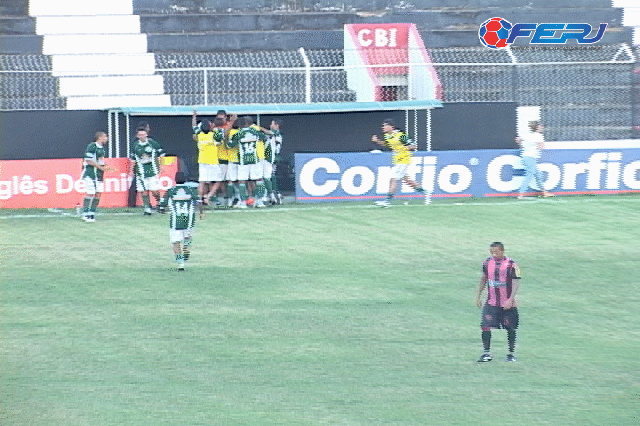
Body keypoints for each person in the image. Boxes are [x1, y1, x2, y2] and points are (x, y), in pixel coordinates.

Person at [476, 242, 521, 362]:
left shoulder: (512, 265)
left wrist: (511, 299)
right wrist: (478, 296)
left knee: (510, 327)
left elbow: (516, 282)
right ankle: (486, 353)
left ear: (502, 251)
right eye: (492, 251)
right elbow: (484, 278)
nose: (493, 254)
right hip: (491, 302)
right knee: (485, 326)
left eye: (496, 251)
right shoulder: (487, 263)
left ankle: (511, 354)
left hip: (507, 303)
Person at [371, 118, 430, 207]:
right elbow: (387, 144)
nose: (383, 128)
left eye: (385, 126)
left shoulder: (401, 135)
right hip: (397, 160)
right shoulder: (387, 136)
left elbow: (413, 146)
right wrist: (377, 141)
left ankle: (387, 201)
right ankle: (426, 193)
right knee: (406, 179)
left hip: (404, 159)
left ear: (391, 126)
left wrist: (402, 149)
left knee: (393, 178)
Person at [158, 171, 200, 271]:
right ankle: (186, 250)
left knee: (175, 242)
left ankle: (180, 263)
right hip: (189, 220)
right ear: (186, 180)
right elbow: (199, 202)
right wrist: (201, 213)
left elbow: (162, 205)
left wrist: (162, 210)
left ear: (174, 180)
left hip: (176, 222)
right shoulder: (191, 190)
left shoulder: (170, 191)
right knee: (187, 238)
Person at [228, 116, 267, 208]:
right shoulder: (255, 131)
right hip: (254, 160)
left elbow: (230, 145)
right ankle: (259, 201)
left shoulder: (239, 133)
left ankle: (243, 202)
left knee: (242, 181)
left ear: (241, 124)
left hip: (243, 161)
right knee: (259, 179)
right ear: (250, 124)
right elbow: (264, 137)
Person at [80, 131, 115, 222]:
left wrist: (106, 167)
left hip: (99, 175)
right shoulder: (92, 146)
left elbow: (101, 161)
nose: (106, 138)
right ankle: (85, 213)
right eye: (105, 136)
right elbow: (88, 160)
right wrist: (101, 167)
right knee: (90, 192)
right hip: (90, 173)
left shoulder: (102, 149)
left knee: (98, 193)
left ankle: (92, 213)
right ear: (100, 137)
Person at [130, 127, 166, 215]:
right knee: (143, 190)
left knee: (154, 191)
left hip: (152, 170)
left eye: (143, 134)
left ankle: (160, 203)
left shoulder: (152, 143)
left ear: (146, 134)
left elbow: (161, 155)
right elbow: (133, 159)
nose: (142, 136)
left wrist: (161, 166)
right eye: (140, 135)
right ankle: (147, 208)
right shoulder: (135, 145)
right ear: (137, 136)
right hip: (140, 171)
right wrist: (131, 171)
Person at [516, 120, 553, 199]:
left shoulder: (527, 135)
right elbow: (541, 147)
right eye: (540, 126)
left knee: (538, 175)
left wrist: (524, 146)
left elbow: (518, 139)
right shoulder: (538, 136)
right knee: (529, 176)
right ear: (537, 127)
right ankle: (521, 194)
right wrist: (539, 146)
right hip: (531, 157)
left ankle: (544, 192)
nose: (542, 127)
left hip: (526, 156)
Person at [192, 110, 222, 206]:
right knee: (218, 181)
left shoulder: (199, 135)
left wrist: (194, 116)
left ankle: (200, 199)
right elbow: (221, 137)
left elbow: (194, 126)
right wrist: (214, 128)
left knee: (202, 182)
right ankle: (207, 196)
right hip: (212, 161)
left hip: (202, 161)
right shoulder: (213, 135)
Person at [262, 119, 282, 205]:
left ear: (277, 125)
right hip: (271, 157)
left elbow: (270, 133)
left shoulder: (276, 133)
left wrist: (259, 128)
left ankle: (275, 194)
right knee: (270, 176)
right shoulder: (270, 134)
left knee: (270, 176)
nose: (270, 125)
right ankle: (275, 194)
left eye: (272, 124)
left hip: (273, 157)